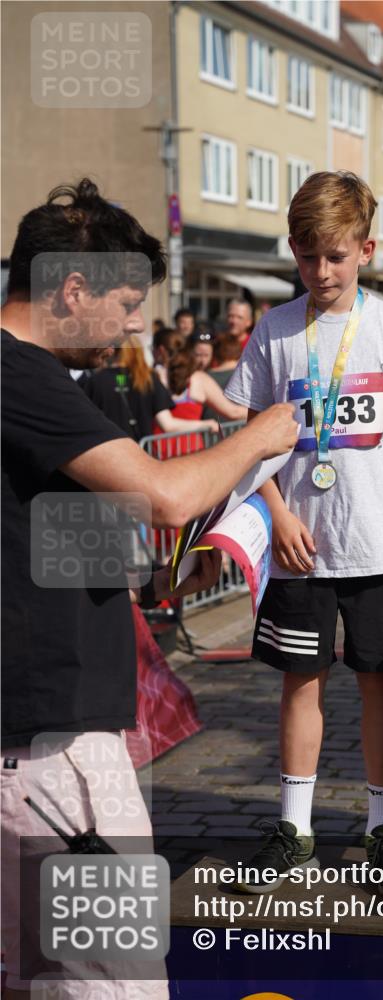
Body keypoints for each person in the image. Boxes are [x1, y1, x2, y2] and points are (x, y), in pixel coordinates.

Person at [0, 179, 299, 999]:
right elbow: (164, 495)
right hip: (54, 758)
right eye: (128, 303)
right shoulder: (18, 373)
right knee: (119, 987)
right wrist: (257, 436)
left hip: (39, 747)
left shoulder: (33, 380)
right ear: (72, 288)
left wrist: (163, 571)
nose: (136, 324)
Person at [224, 171, 383, 895]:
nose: (321, 271)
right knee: (301, 685)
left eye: (336, 256)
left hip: (381, 545)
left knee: (380, 685)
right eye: (308, 255)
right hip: (301, 549)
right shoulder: (275, 330)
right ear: (293, 250)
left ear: (365, 251)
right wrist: (277, 511)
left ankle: (381, 827)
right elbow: (246, 439)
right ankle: (294, 830)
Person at [83, 336, 219, 441]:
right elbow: (168, 424)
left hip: (108, 452)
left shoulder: (96, 380)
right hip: (142, 453)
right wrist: (205, 424)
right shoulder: (148, 379)